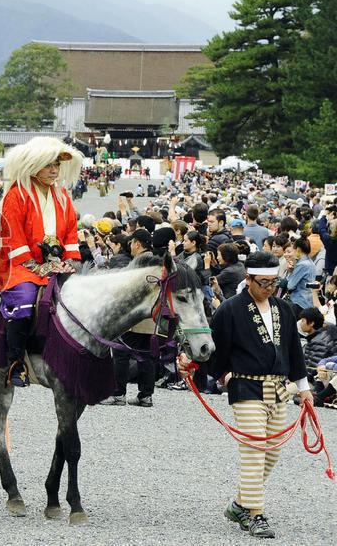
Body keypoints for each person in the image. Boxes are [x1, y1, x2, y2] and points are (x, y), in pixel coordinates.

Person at [180, 252, 313, 539]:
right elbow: (213, 347)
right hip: (245, 387)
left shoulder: (284, 308)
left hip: (278, 388)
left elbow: (294, 351)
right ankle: (256, 514)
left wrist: (304, 389)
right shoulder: (230, 309)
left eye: (274, 283)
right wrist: (217, 373)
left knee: (273, 451)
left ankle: (240, 503)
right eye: (263, 283)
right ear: (248, 279)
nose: (269, 288)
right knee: (254, 450)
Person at [0, 137, 82, 387]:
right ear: (34, 165)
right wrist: (39, 267)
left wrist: (70, 262)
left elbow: (71, 234)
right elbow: (13, 238)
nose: (54, 170)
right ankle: (16, 363)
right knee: (23, 301)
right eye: (48, 165)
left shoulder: (63, 196)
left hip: (58, 264)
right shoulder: (17, 195)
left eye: (56, 165)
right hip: (22, 266)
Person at [101, 229, 158, 407]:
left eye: (131, 243)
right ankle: (145, 395)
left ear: (137, 243)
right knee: (147, 356)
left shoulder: (140, 263)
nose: (130, 246)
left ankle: (118, 394)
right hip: (151, 318)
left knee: (120, 353)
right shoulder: (157, 261)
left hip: (134, 318)